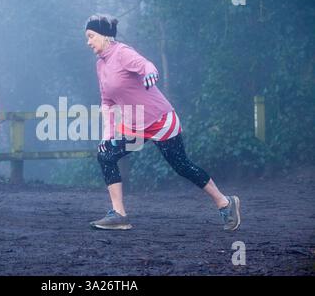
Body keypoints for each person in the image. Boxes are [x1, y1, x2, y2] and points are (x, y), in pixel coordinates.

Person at [85, 14, 240, 231]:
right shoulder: (101, 65)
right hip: (134, 126)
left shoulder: (122, 53)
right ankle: (119, 215)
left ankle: (225, 203)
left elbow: (146, 65)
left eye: (91, 36)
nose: (88, 42)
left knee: (182, 166)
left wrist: (150, 74)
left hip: (160, 120)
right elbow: (107, 102)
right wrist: (107, 134)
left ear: (104, 35)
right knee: (106, 155)